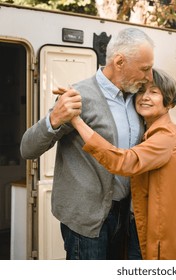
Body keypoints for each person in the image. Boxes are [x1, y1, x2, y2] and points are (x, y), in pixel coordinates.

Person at [20, 27, 154, 260]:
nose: (149, 76)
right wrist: (53, 119)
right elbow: (27, 149)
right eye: (145, 68)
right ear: (119, 61)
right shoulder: (79, 95)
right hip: (86, 219)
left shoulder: (137, 98)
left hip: (126, 216)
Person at [70, 68, 176, 260]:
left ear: (169, 102)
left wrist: (77, 122)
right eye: (141, 91)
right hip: (135, 225)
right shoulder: (146, 130)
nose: (144, 97)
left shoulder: (166, 134)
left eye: (153, 92)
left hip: (158, 234)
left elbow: (125, 162)